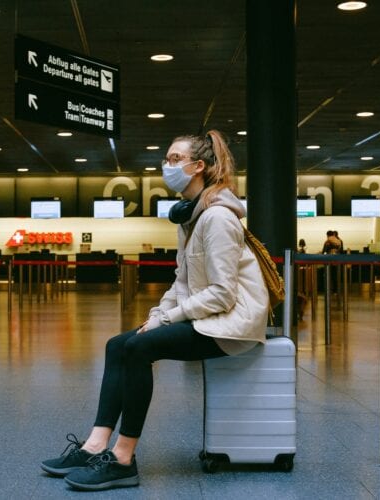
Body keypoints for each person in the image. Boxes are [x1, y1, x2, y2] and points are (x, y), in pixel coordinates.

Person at [40, 130, 270, 491]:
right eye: (167, 158)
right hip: (207, 317)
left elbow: (223, 295)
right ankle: (94, 445)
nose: (167, 165)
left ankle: (122, 459)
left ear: (199, 167)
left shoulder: (218, 218)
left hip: (230, 326)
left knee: (139, 348)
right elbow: (183, 281)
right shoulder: (192, 217)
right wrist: (157, 314)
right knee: (118, 344)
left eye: (175, 159)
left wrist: (169, 319)